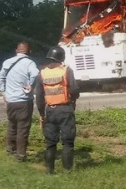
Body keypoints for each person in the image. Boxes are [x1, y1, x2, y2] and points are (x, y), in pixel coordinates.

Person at [35, 46, 80, 174]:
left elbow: (39, 96)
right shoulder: (66, 70)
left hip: (50, 111)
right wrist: (73, 100)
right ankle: (67, 170)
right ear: (61, 58)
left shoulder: (42, 73)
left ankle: (49, 170)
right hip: (65, 110)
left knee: (50, 143)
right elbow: (74, 90)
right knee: (68, 142)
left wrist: (41, 114)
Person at [0, 41, 38, 161]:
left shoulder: (7, 62)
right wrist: (31, 86)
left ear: (16, 51)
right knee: (23, 128)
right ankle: (21, 155)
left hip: (10, 101)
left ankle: (10, 149)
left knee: (12, 125)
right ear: (29, 51)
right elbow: (35, 73)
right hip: (24, 101)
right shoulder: (29, 63)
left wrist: (3, 92)